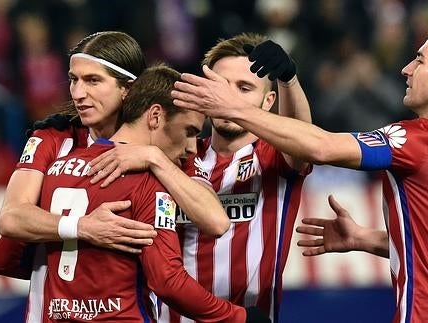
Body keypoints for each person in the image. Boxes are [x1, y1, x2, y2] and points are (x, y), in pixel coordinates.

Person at [171, 23, 428, 322]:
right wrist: (366, 239)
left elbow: (320, 146)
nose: (407, 69)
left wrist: (230, 105)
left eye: (421, 60)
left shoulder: (416, 138)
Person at [0, 31, 229, 312]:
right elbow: (11, 218)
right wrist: (83, 226)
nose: (78, 93)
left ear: (127, 89)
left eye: (93, 80)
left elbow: (215, 221)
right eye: (73, 79)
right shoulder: (52, 138)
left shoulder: (167, 148)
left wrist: (153, 157)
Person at [88, 33, 312, 322]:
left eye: (244, 88)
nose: (227, 98)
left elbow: (306, 142)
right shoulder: (179, 153)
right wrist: (66, 130)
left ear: (268, 101)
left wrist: (288, 79)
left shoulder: (274, 157)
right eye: (220, 87)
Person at [35, 63, 268, 322]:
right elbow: (166, 279)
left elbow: (5, 258)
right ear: (155, 116)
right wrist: (238, 317)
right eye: (189, 131)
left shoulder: (57, 168)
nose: (192, 148)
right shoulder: (147, 180)